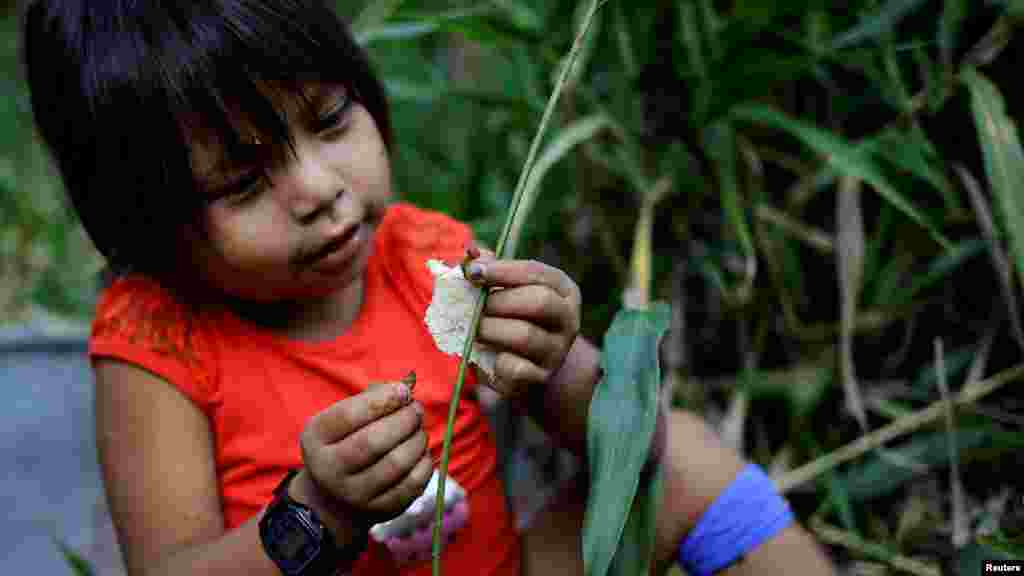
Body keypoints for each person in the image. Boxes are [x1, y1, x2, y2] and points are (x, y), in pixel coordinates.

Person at [21, 1, 835, 575]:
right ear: (141, 225)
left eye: (333, 121)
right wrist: (317, 516)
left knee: (684, 459)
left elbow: (638, 445)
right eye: (241, 182)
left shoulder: (426, 258)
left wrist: (559, 363)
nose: (318, 189)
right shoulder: (157, 341)